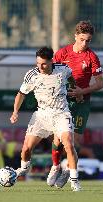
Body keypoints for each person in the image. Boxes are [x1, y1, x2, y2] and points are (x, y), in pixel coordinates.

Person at [10, 47, 81, 191]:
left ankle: (74, 181)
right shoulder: (32, 75)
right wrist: (15, 112)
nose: (40, 67)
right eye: (38, 63)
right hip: (42, 115)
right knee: (26, 149)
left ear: (51, 61)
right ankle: (24, 169)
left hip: (61, 113)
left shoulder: (63, 69)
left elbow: (71, 79)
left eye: (43, 64)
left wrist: (76, 90)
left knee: (68, 143)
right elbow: (21, 94)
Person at [47, 20, 103, 188]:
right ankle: (56, 166)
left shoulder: (92, 57)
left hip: (82, 103)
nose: (85, 43)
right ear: (75, 37)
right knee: (58, 139)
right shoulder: (62, 54)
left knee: (74, 141)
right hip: (63, 103)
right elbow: (51, 76)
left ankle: (68, 171)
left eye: (88, 40)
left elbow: (100, 84)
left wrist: (82, 92)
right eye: (82, 39)